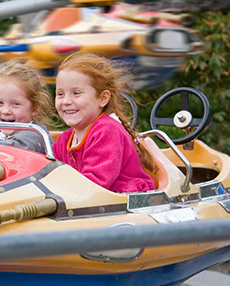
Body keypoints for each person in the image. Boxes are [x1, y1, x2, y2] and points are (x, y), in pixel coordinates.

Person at [52, 53, 157, 193]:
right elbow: (49, 173)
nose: (66, 101)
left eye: (76, 93)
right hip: (92, 201)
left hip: (123, 200)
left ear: (103, 98)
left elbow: (96, 182)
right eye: (60, 94)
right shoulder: (64, 141)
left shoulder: (107, 131)